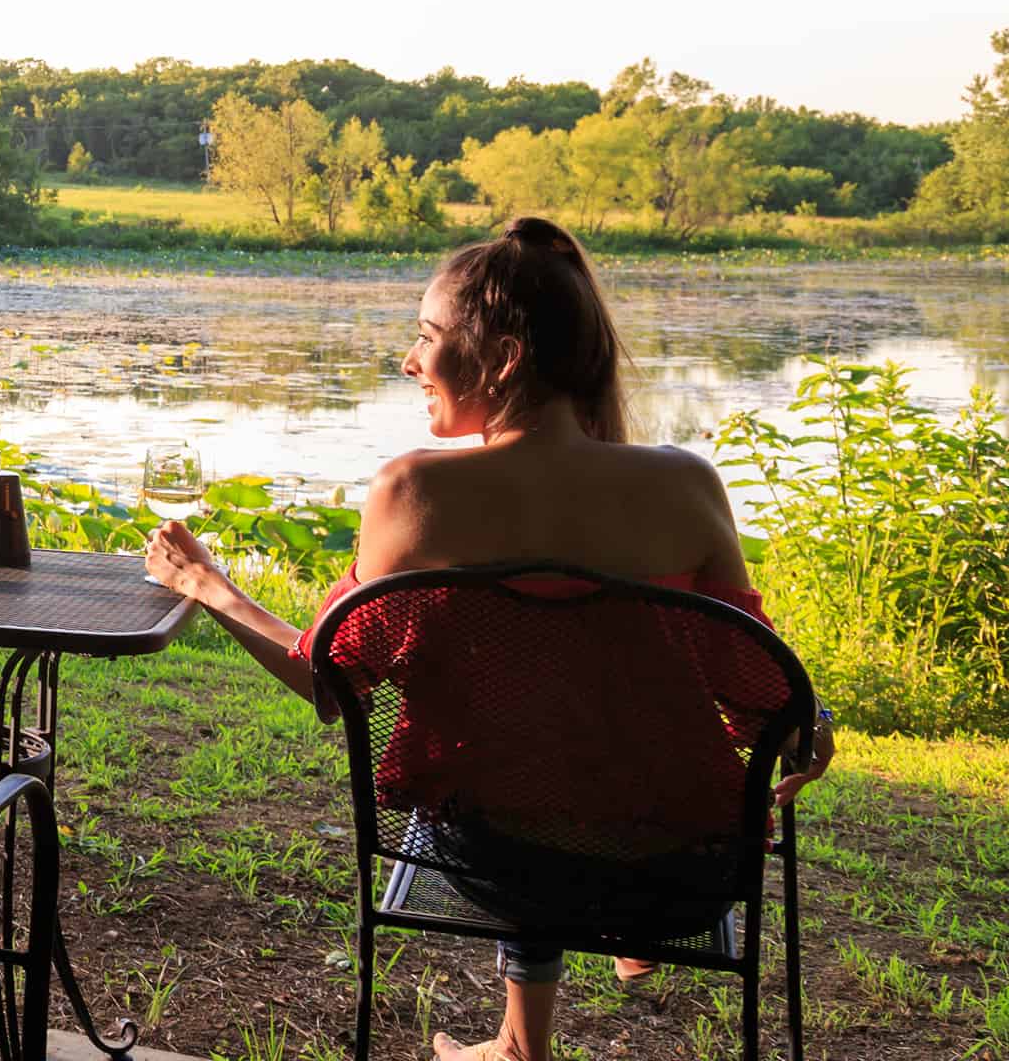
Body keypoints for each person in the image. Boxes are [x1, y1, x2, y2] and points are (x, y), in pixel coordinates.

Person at [139, 215, 836, 1061]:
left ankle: (521, 1036)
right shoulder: (685, 484)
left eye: (426, 338)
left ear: (503, 359)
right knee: (552, 752)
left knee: (508, 780)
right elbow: (770, 702)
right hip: (682, 875)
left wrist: (207, 585)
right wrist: (812, 729)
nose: (408, 362)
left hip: (496, 865)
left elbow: (330, 684)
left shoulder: (412, 492)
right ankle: (523, 1038)